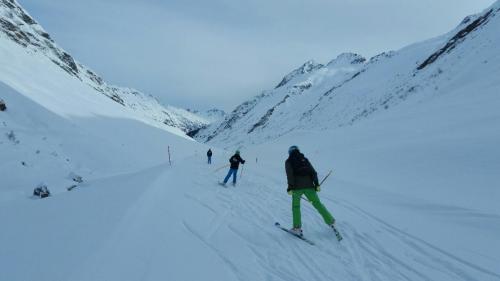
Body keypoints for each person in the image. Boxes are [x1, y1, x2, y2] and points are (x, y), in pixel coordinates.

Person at [285, 145, 336, 236]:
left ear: (290, 152)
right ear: (298, 151)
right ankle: (330, 220)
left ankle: (297, 228)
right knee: (317, 204)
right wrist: (316, 184)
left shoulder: (288, 161)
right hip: (309, 187)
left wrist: (290, 187)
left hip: (297, 189)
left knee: (296, 207)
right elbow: (313, 172)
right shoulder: (304, 159)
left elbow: (290, 175)